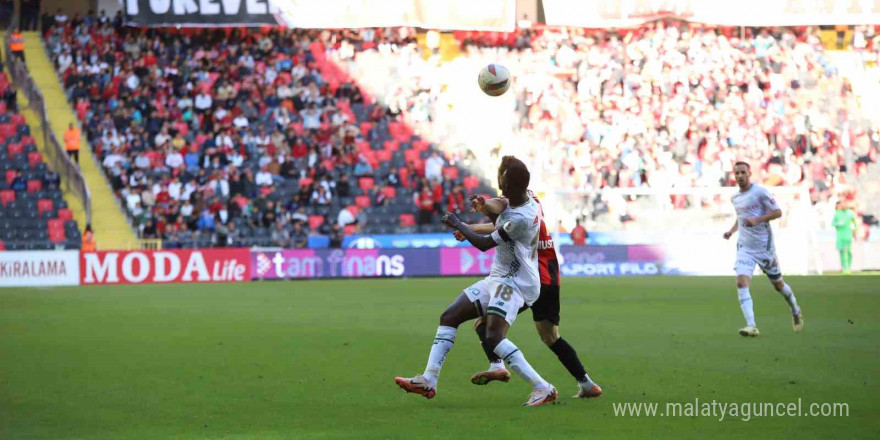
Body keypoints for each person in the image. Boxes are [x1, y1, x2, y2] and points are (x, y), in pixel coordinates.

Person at [395, 156, 558, 407]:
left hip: (517, 283)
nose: (500, 187)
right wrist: (483, 204)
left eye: (504, 183)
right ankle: (429, 378)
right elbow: (500, 204)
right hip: (498, 278)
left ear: (513, 187)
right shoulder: (527, 196)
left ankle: (542, 387)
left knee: (493, 335)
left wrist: (458, 223)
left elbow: (484, 244)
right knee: (449, 316)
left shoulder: (522, 218)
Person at [454, 157, 601, 399]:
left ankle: (500, 367)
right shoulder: (529, 198)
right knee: (550, 336)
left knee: (484, 324)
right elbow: (500, 216)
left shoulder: (518, 210)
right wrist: (473, 222)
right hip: (550, 274)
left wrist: (469, 226)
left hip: (530, 276)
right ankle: (586, 383)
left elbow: (501, 219)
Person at [723, 162, 803, 337]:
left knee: (778, 285)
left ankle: (795, 310)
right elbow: (741, 218)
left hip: (764, 249)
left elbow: (777, 212)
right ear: (734, 175)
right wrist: (731, 230)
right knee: (741, 283)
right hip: (745, 248)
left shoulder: (760, 192)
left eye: (743, 172)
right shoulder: (735, 197)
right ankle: (751, 325)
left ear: (749, 173)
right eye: (737, 173)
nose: (740, 176)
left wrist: (757, 220)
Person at [831, 201, 858, 274]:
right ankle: (844, 267)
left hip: (848, 235)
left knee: (848, 251)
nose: (843, 206)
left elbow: (854, 223)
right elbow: (833, 223)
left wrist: (856, 233)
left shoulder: (850, 213)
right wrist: (838, 223)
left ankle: (848, 266)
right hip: (840, 236)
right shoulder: (837, 213)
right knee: (842, 252)